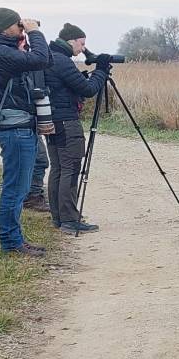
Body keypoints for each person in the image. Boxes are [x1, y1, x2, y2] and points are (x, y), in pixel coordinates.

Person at [0, 7, 53, 256]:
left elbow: (44, 62)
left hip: (21, 127)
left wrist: (26, 40)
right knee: (15, 188)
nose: (21, 27)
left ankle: (15, 239)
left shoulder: (5, 50)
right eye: (17, 24)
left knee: (19, 188)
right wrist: (35, 32)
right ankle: (11, 242)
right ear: (4, 28)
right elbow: (40, 59)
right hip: (15, 130)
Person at [43, 23, 110, 234]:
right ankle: (70, 220)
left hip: (51, 121)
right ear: (71, 41)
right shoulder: (62, 61)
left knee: (58, 168)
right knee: (70, 169)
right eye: (81, 44)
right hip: (66, 122)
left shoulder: (50, 57)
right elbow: (88, 90)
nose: (82, 49)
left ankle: (59, 218)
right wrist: (101, 71)